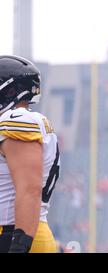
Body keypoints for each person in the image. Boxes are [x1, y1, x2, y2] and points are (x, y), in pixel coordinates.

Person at [0, 55, 60, 253]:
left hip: (14, 233)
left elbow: (29, 189)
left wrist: (20, 244)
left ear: (11, 90)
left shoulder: (17, 119)